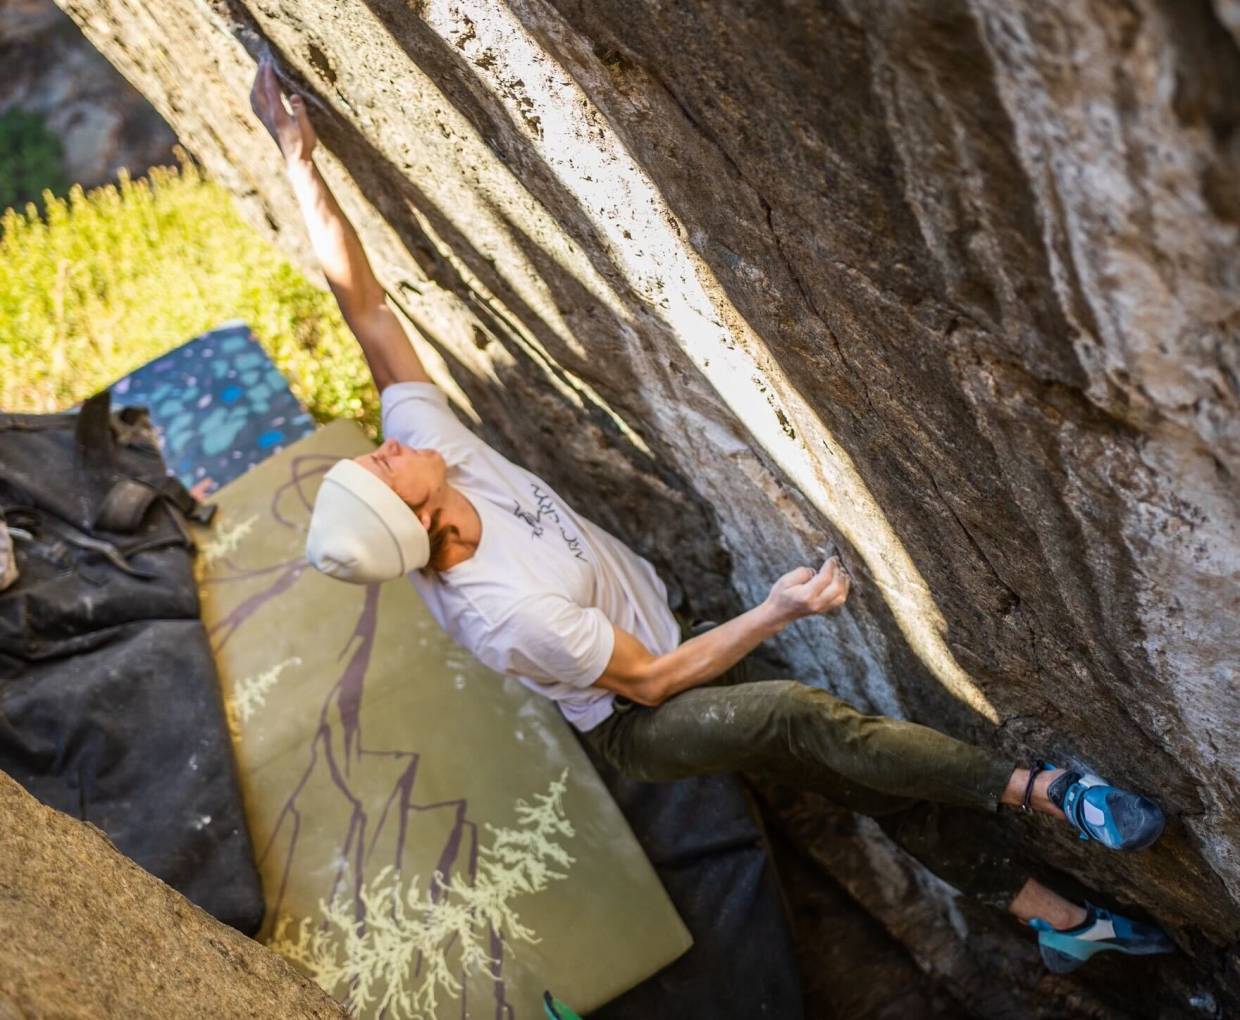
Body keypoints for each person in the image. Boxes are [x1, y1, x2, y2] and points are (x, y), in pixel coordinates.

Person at [250, 56, 1173, 974]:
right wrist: (777, 611)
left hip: (665, 634)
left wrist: (298, 160)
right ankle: (1053, 793)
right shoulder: (505, 610)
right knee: (795, 713)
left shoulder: (433, 452)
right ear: (419, 516)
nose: (384, 437)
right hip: (640, 716)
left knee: (867, 776)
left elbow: (363, 308)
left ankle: (1061, 923)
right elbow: (650, 685)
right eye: (381, 464)